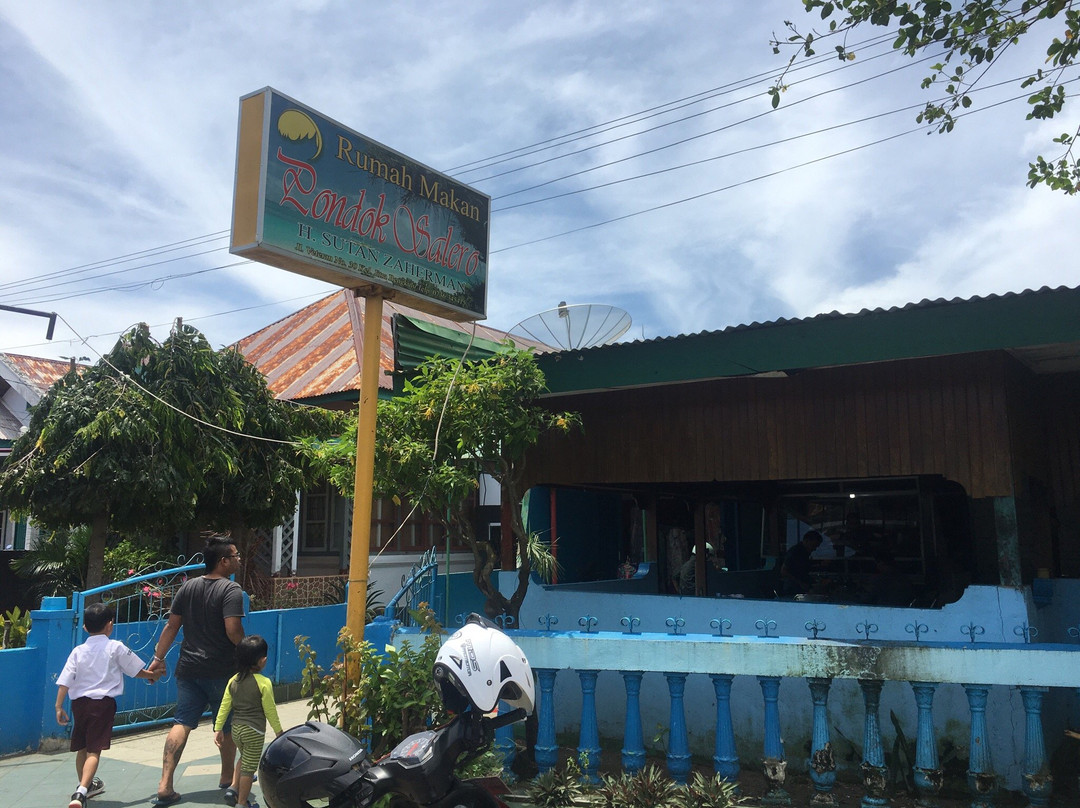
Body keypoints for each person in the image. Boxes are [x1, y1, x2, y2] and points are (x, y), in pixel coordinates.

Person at [148, 536, 245, 806]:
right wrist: (247, 652)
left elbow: (171, 627)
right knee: (226, 725)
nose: (239, 560)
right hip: (222, 670)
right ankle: (227, 779)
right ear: (223, 561)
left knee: (182, 722)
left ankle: (165, 784)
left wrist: (157, 658)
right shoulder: (231, 590)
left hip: (188, 669)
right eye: (236, 556)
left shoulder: (188, 587)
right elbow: (233, 630)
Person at [55, 602, 158, 808]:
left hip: (79, 705)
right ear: (110, 625)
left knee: (82, 748)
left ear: (85, 627)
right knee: (94, 751)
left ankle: (85, 785)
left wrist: (58, 706)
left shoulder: (78, 651)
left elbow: (65, 680)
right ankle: (81, 792)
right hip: (102, 705)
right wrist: (151, 675)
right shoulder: (115, 647)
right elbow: (134, 669)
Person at [215, 635, 283, 808]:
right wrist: (279, 731)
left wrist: (218, 728)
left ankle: (232, 788)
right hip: (254, 731)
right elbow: (270, 710)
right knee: (249, 768)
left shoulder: (233, 680)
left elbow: (225, 705)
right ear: (263, 660)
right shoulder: (264, 683)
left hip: (236, 729)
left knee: (243, 758)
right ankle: (242, 803)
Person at [780, 531, 823, 596]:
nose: (814, 549)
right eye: (813, 546)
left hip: (801, 586)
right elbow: (783, 571)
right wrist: (800, 583)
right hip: (792, 588)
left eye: (816, 547)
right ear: (806, 541)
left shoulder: (805, 553)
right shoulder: (795, 552)